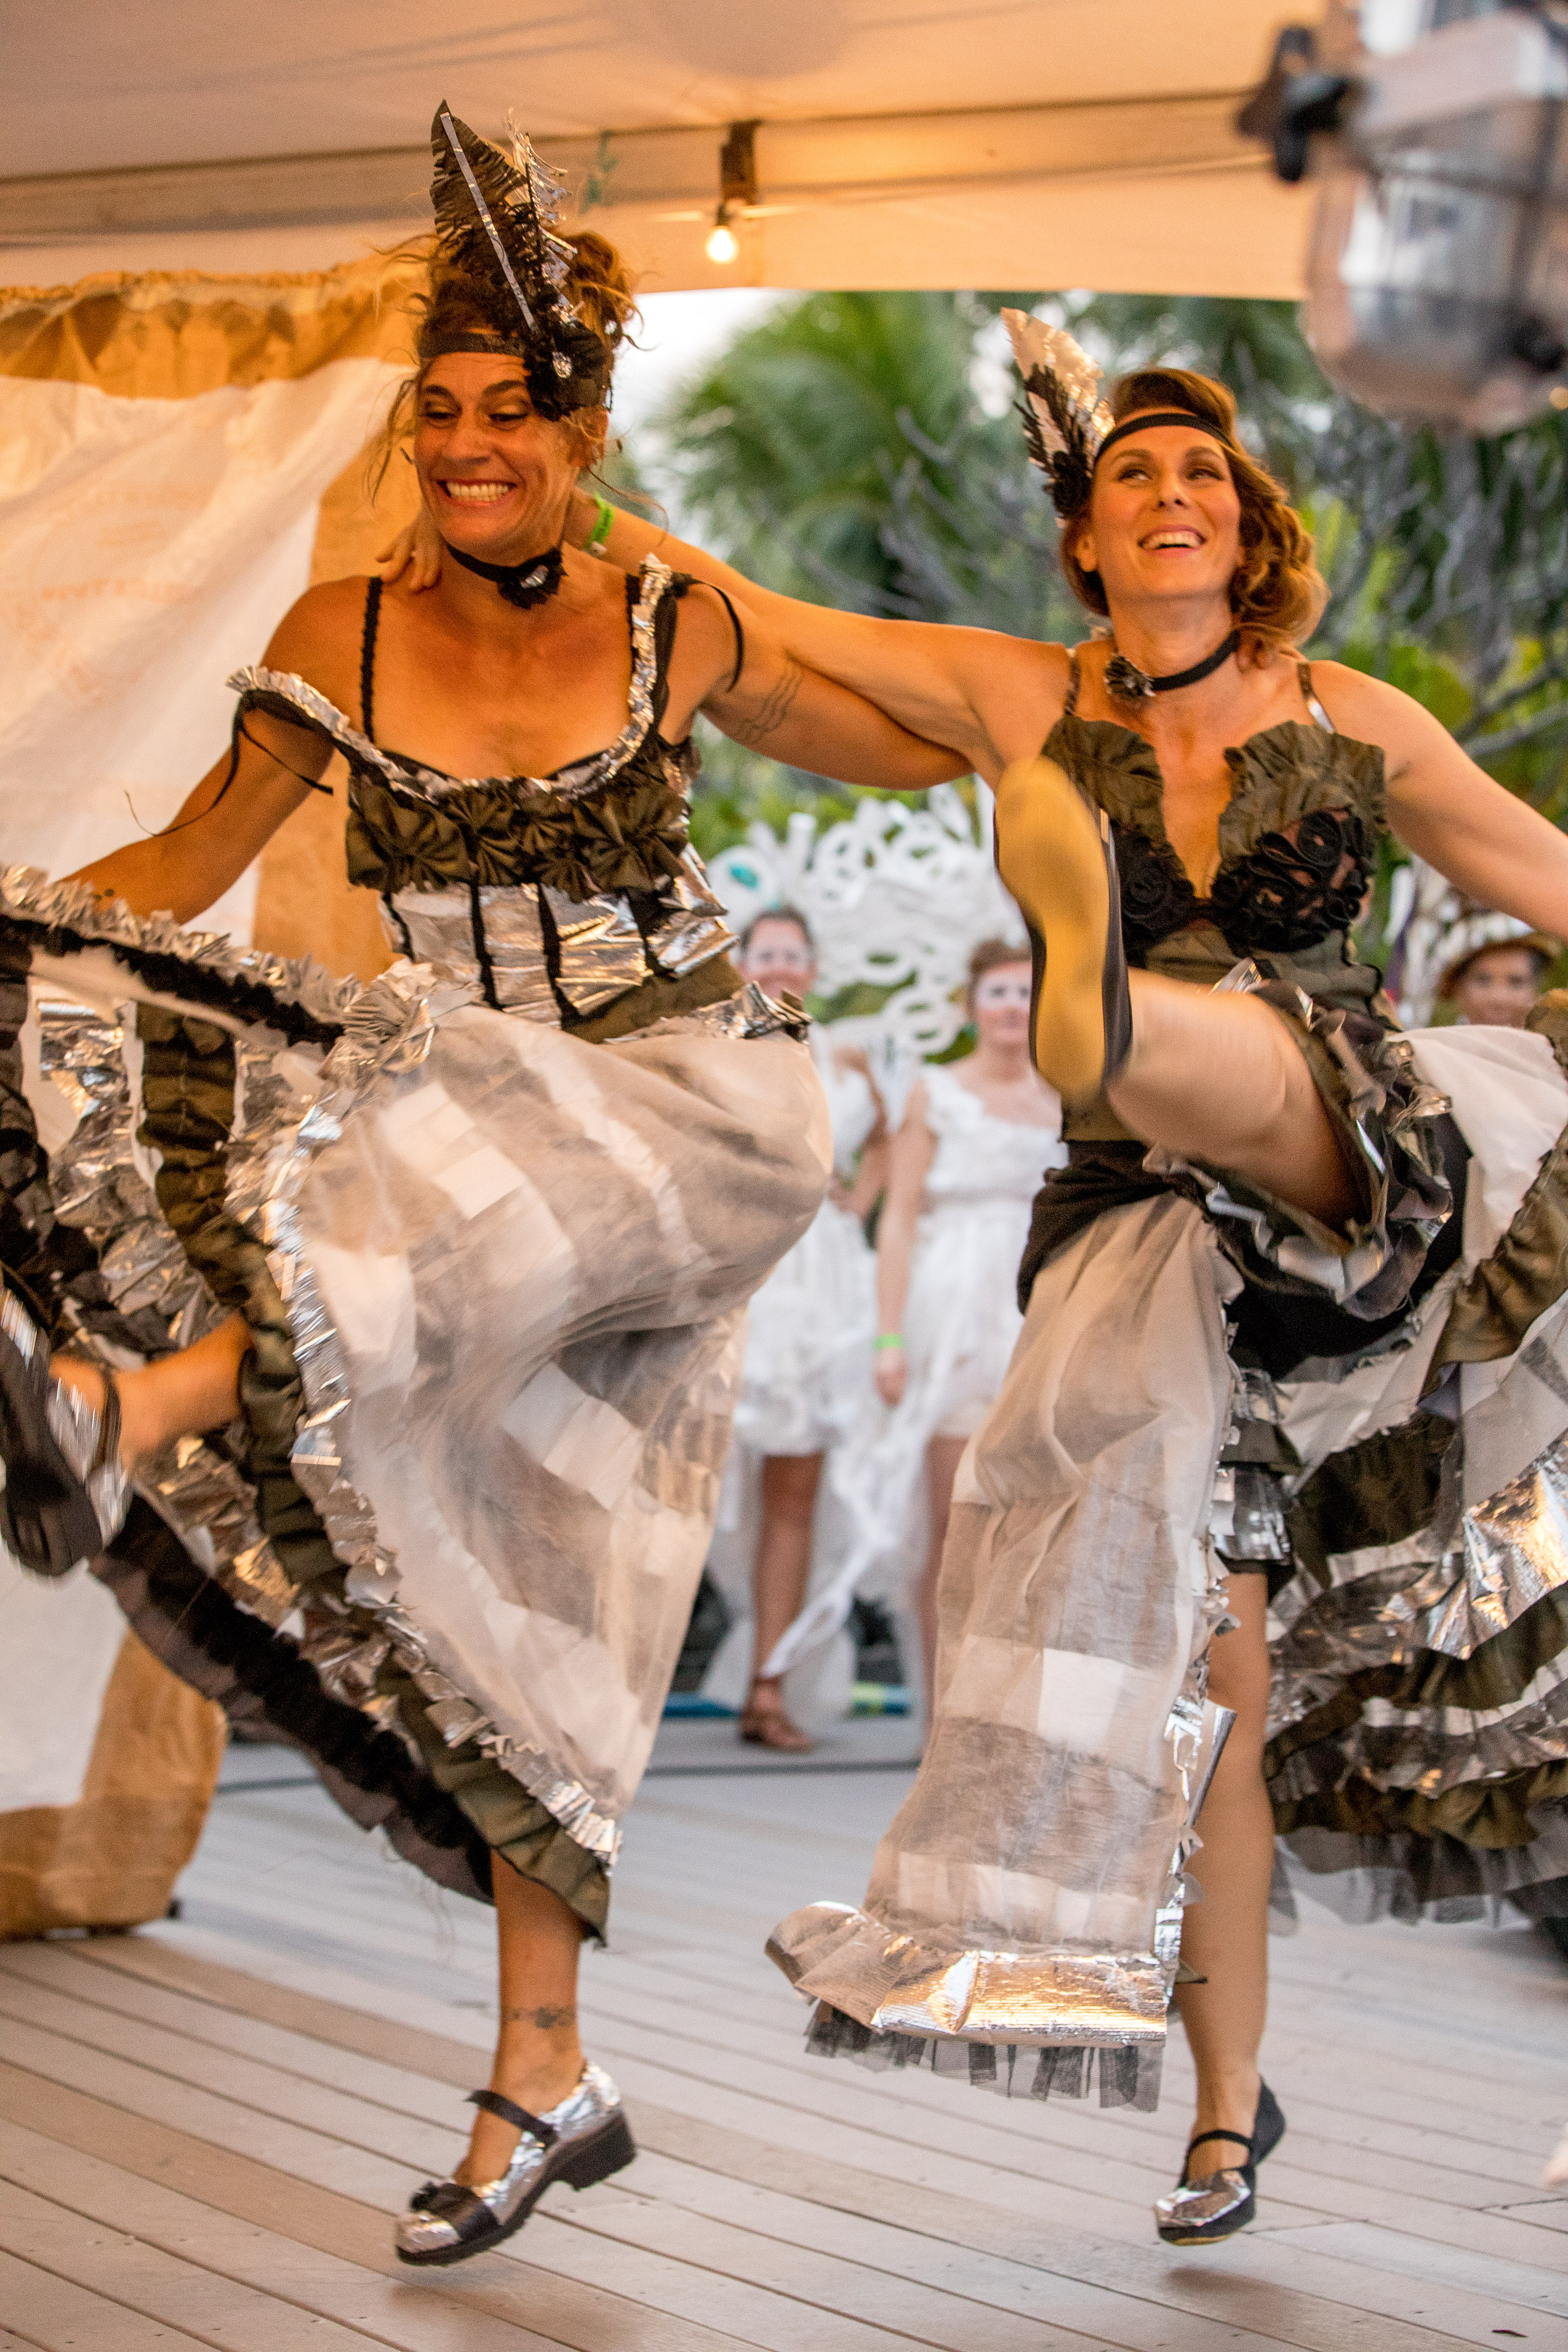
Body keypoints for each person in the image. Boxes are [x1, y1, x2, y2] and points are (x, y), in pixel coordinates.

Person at [385, 311, 1568, 2244]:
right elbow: (758, 609)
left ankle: (1101, 998)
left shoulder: (1347, 714)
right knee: (1210, 1666)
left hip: (1344, 1159)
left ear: (1245, 524)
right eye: (1132, 474)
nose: (1171, 492)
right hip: (1136, 1227)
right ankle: (1223, 2112)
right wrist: (561, 491)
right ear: (1086, 539)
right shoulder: (1023, 687)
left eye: (1202, 472)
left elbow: (1550, 876)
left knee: (1216, 1051)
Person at [0, 110, 964, 2270]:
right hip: (477, 1146)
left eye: (506, 409)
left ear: (580, 430)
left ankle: (117, 1407)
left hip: (692, 1117)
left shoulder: (667, 616)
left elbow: (890, 728)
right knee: (549, 1597)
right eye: (435, 412)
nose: (462, 445)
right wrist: (20, 922)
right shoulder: (340, 629)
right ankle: (547, 2072)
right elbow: (187, 857)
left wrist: (1048, 750)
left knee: (395, 1217)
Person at [861, 939, 1062, 1713]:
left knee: (1032, 1521)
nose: (1012, 1007)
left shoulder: (1066, 1098)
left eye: (1026, 993)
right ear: (972, 1006)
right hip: (952, 1313)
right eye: (998, 992)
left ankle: (1007, 1710)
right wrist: (888, 1336)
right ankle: (942, 1710)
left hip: (1039, 1306)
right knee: (953, 1520)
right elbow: (899, 1217)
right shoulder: (935, 1093)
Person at [725, 906, 887, 1752]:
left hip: (823, 1281)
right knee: (693, 1490)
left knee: (794, 1495)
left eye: (794, 954)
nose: (781, 965)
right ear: (742, 963)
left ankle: (769, 1685)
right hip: (745, 1265)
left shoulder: (848, 1055)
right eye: (767, 952)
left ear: (813, 968)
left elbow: (892, 1135)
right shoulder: (717, 1051)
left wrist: (860, 1197)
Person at [1435, 916, 1559, 1027]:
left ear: (1536, 990)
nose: (1499, 998)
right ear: (1457, 987)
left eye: (1516, 982)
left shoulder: (1553, 1045)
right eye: (1483, 981)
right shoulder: (1432, 1044)